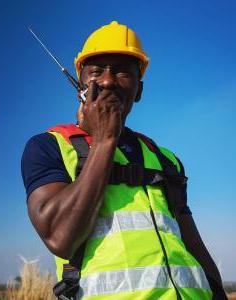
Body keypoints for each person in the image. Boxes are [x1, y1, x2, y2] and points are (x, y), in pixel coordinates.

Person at [21, 21, 226, 299]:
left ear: (138, 91)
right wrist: (105, 139)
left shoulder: (164, 159)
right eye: (96, 71)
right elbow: (60, 237)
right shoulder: (49, 147)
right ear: (80, 84)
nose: (107, 80)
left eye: (121, 71)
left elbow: (194, 245)